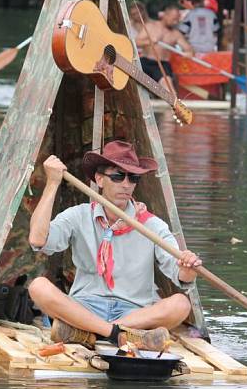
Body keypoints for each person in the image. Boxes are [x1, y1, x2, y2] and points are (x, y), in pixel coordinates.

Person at [27, 140, 202, 350]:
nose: (126, 184)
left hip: (133, 313)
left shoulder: (152, 225)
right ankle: (116, 334)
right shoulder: (78, 216)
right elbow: (37, 239)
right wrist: (52, 183)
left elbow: (181, 275)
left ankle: (92, 331)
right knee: (38, 286)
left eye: (133, 177)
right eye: (118, 176)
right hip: (84, 307)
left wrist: (188, 268)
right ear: (100, 179)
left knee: (181, 304)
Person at [128, 3, 192, 93]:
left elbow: (188, 49)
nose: (176, 22)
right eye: (174, 19)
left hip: (162, 64)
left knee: (169, 89)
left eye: (177, 19)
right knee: (131, 82)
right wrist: (149, 42)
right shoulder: (151, 26)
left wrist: (189, 53)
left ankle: (175, 105)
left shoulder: (176, 34)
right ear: (166, 15)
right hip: (145, 62)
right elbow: (135, 43)